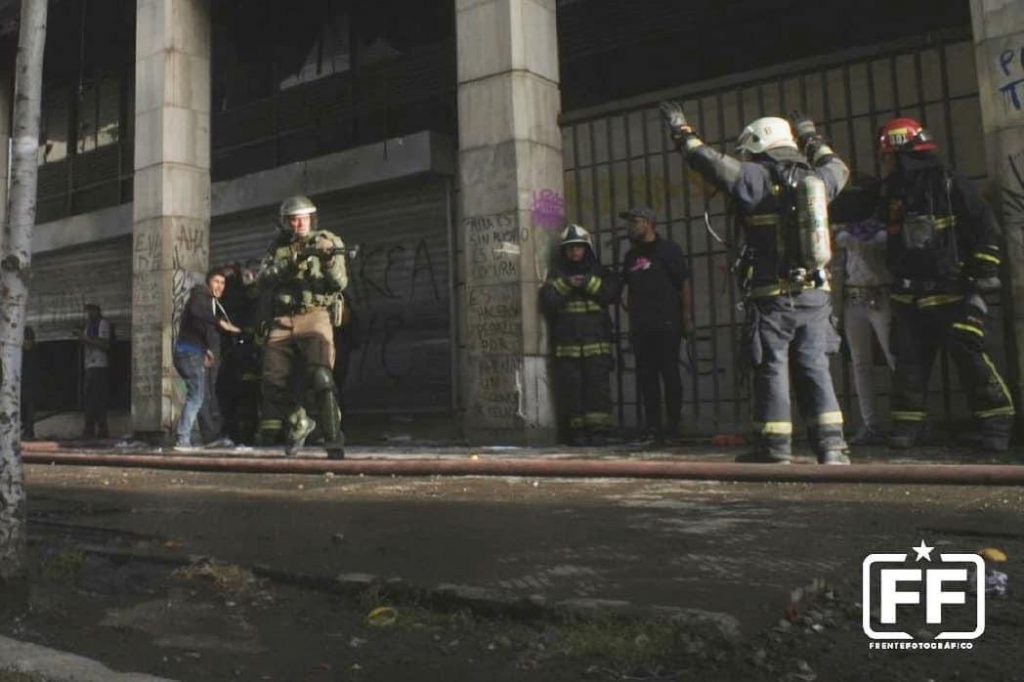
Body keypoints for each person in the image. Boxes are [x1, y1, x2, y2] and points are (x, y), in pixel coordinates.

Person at [659, 102, 850, 464]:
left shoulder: (754, 177)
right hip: (815, 295)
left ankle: (774, 446)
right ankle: (832, 448)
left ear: (760, 144)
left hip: (772, 297)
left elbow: (709, 162)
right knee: (814, 365)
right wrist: (812, 137)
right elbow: (839, 166)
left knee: (771, 365)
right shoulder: (819, 178)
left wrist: (681, 131)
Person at [877, 117, 1015, 451]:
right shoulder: (893, 192)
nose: (886, 162)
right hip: (910, 295)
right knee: (909, 364)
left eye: (888, 155)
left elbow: (985, 227)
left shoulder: (949, 184)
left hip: (954, 292)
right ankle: (907, 430)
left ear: (902, 152)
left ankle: (996, 428)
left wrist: (983, 274)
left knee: (971, 360)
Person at [256, 195, 348, 459]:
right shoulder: (277, 248)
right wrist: (288, 266)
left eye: (303, 219)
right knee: (271, 382)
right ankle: (299, 422)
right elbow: (261, 281)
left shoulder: (327, 241)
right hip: (283, 318)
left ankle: (333, 440)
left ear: (312, 219)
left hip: (314, 314)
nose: (298, 224)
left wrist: (328, 260)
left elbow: (340, 283)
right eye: (293, 220)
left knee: (321, 377)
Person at [540, 224, 620, 445]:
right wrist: (567, 284)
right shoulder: (557, 275)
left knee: (598, 390)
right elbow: (548, 299)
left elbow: (610, 293)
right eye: (570, 248)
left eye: (578, 247)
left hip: (596, 345)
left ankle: (599, 432)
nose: (574, 252)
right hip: (568, 348)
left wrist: (586, 283)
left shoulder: (599, 272)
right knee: (572, 392)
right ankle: (577, 434)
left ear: (587, 249)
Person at [830, 176, 895, 445]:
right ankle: (871, 424)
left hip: (879, 295)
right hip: (853, 299)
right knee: (860, 363)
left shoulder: (881, 231)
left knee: (894, 358)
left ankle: (909, 419)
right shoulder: (843, 233)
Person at [619, 207, 693, 444]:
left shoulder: (669, 250)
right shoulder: (630, 257)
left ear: (650, 223)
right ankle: (652, 427)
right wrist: (630, 319)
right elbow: (628, 289)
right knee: (646, 378)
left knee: (670, 375)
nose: (630, 226)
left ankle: (672, 426)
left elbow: (684, 283)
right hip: (642, 327)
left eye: (635, 221)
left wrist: (687, 318)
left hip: (667, 324)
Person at [173, 268, 241, 450]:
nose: (220, 286)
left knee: (200, 395)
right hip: (188, 353)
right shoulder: (200, 296)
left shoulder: (208, 301)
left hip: (192, 352)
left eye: (223, 283)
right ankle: (182, 438)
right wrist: (220, 323)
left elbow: (196, 326)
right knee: (196, 396)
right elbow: (197, 312)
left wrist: (206, 350)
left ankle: (210, 436)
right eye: (216, 282)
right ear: (208, 283)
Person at [76, 303, 112, 439]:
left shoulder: (102, 324)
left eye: (91, 311)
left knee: (98, 399)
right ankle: (89, 428)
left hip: (99, 365)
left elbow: (104, 344)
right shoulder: (88, 325)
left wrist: (85, 338)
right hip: (89, 365)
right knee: (89, 399)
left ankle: (101, 429)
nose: (89, 314)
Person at [21, 326, 37, 440]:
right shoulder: (20, 352)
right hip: (22, 381)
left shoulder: (33, 352)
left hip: (29, 382)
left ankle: (28, 430)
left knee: (29, 406)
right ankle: (26, 429)